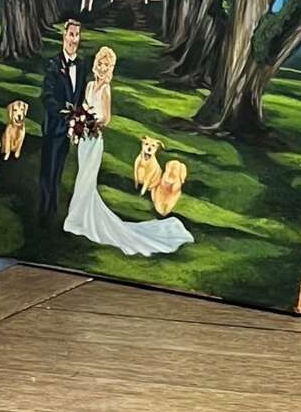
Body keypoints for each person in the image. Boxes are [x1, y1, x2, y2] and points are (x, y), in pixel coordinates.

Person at [62, 46, 193, 256]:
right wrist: (79, 120)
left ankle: (83, 220)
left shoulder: (106, 89)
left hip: (95, 139)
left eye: (106, 65)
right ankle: (78, 217)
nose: (102, 68)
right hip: (84, 139)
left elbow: (106, 118)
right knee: (81, 176)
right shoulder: (89, 86)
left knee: (87, 178)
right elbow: (84, 107)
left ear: (110, 68)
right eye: (100, 64)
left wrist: (91, 123)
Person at [38, 18, 88, 219]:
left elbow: (81, 95)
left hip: (69, 131)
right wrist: (64, 116)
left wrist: (80, 120)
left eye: (77, 35)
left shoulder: (82, 66)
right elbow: (47, 96)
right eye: (71, 35)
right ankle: (44, 211)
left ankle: (53, 208)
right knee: (48, 170)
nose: (73, 40)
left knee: (58, 170)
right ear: (64, 36)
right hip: (54, 128)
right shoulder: (53, 64)